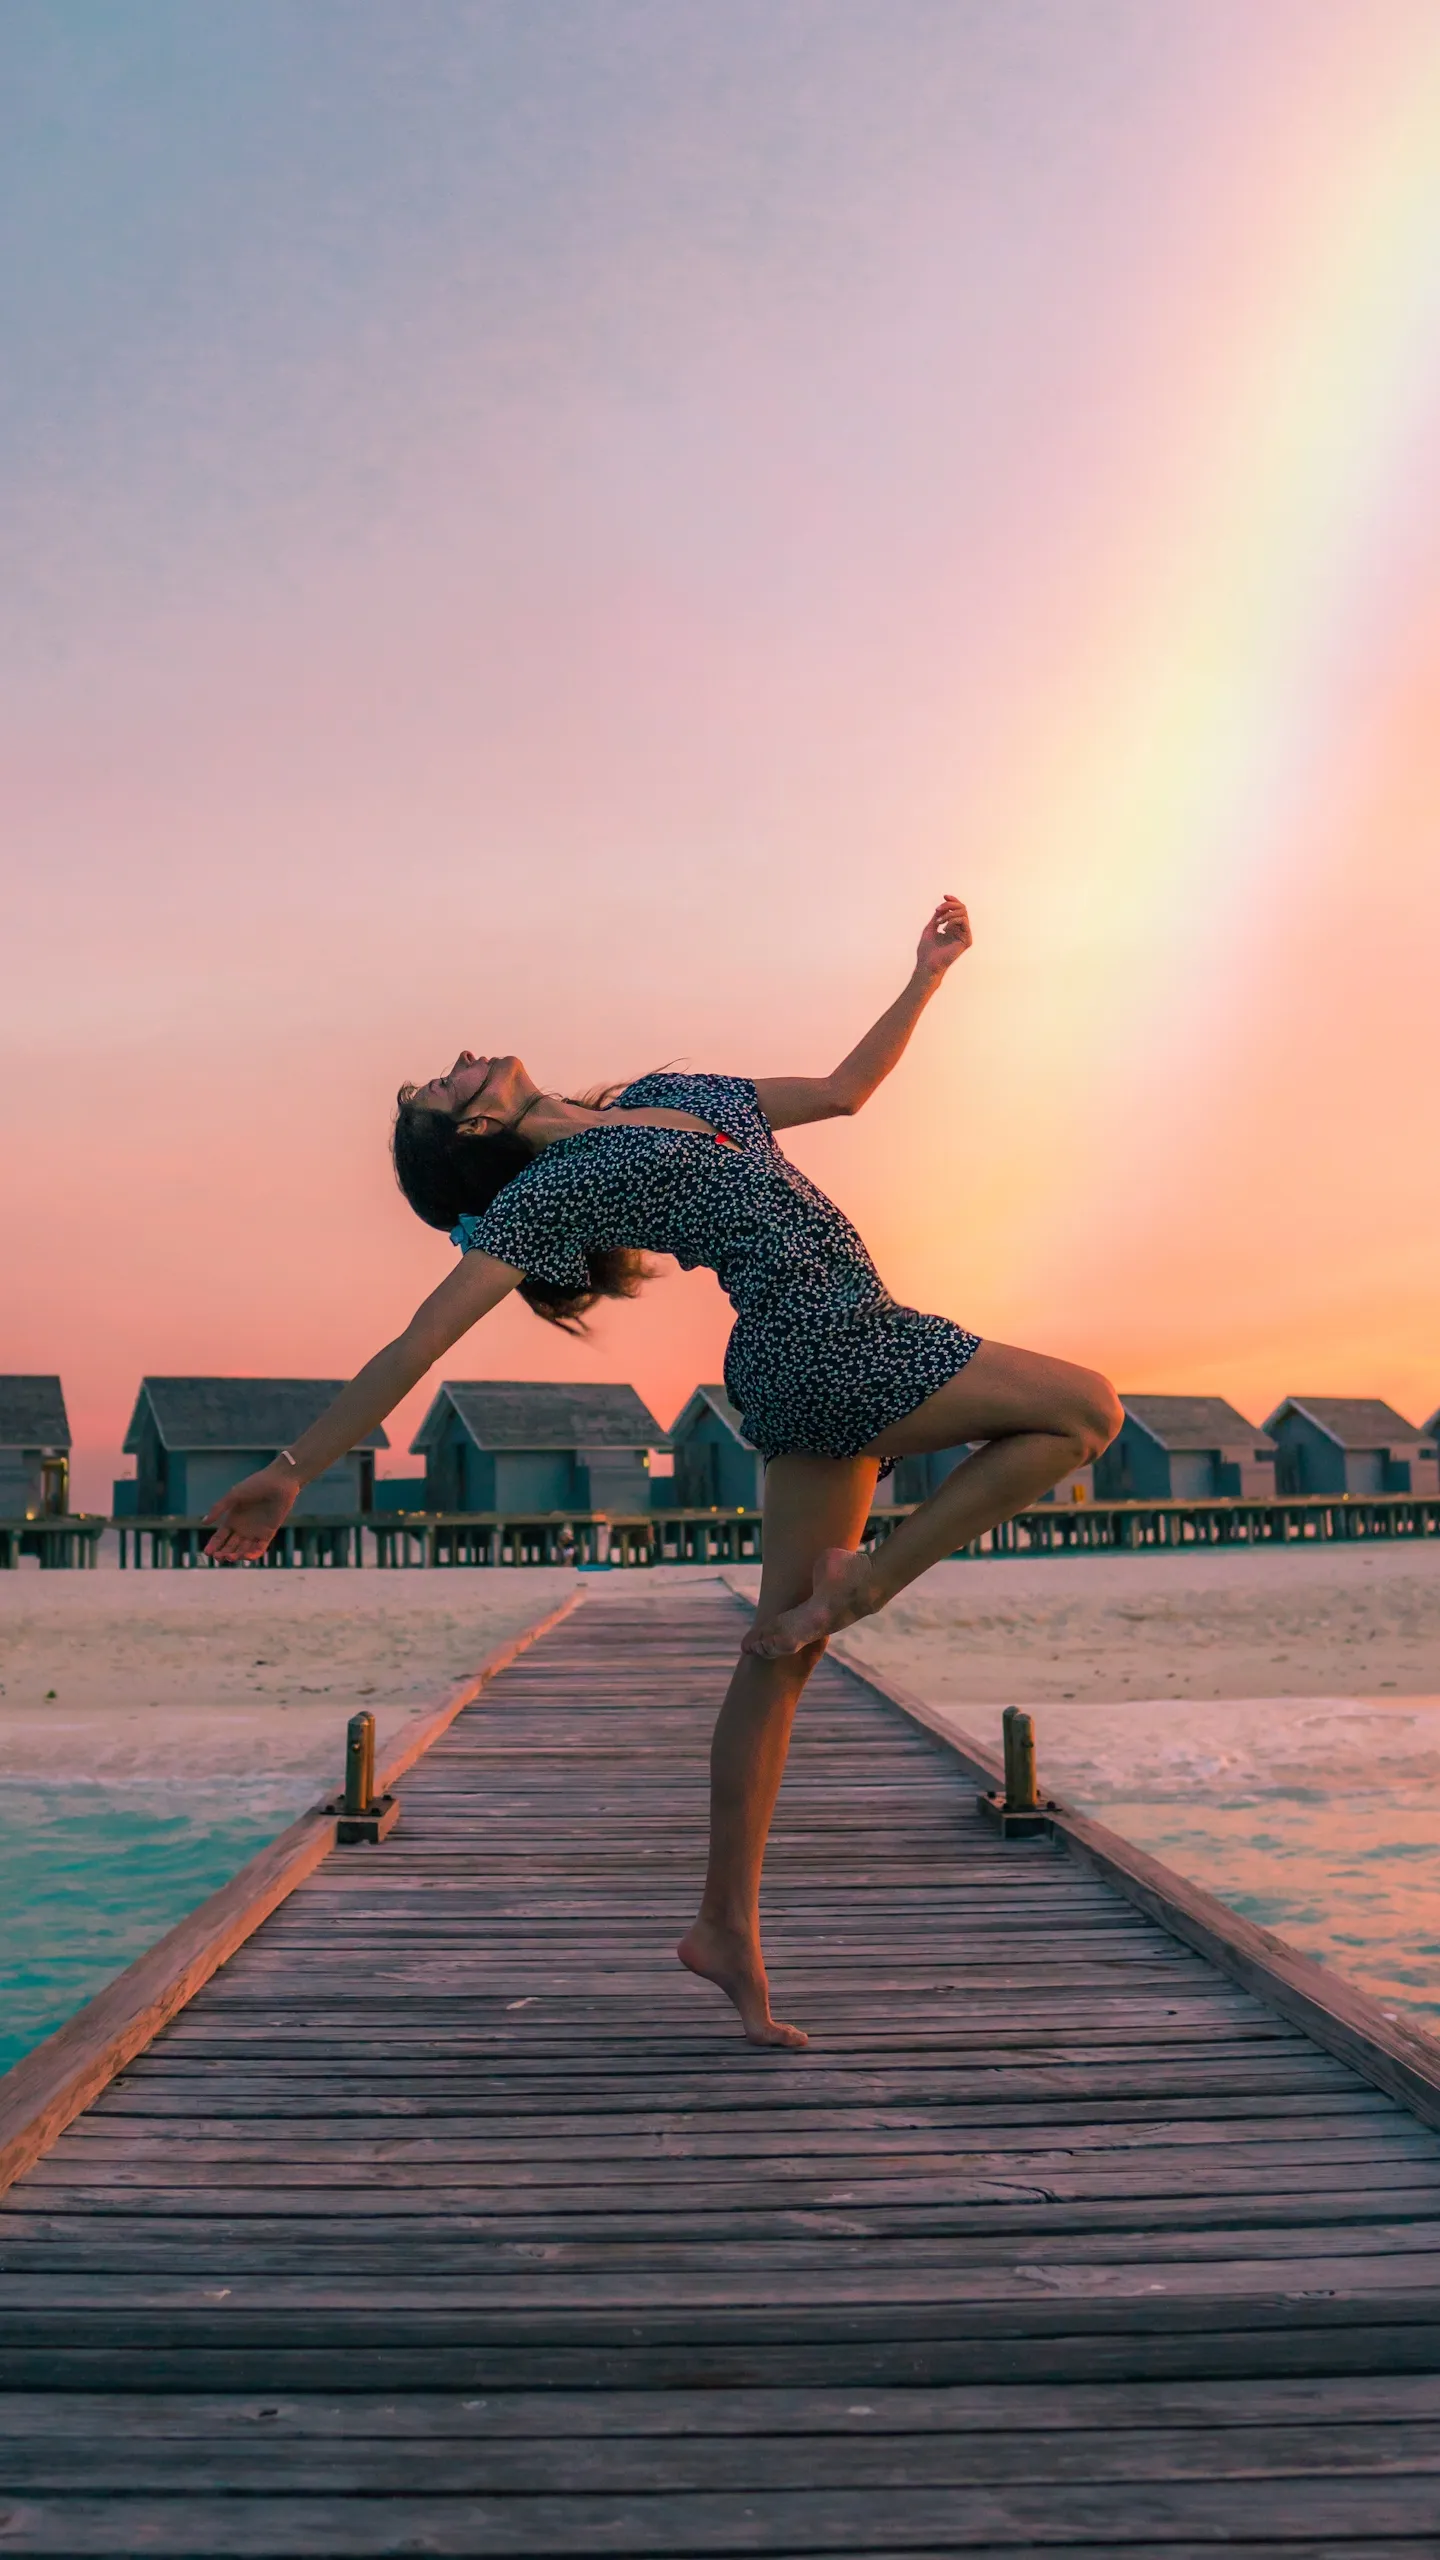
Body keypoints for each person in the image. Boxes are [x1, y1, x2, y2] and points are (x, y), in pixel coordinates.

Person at [206, 900, 1120, 2047]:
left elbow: (844, 1090)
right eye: (449, 1084)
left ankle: (723, 1927)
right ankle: (869, 1582)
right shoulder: (552, 1191)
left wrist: (925, 976)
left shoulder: (680, 1095)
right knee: (1087, 1408)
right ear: (477, 1132)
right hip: (829, 1343)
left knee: (780, 1653)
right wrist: (291, 1470)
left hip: (807, 1361)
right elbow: (417, 1344)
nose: (462, 1059)